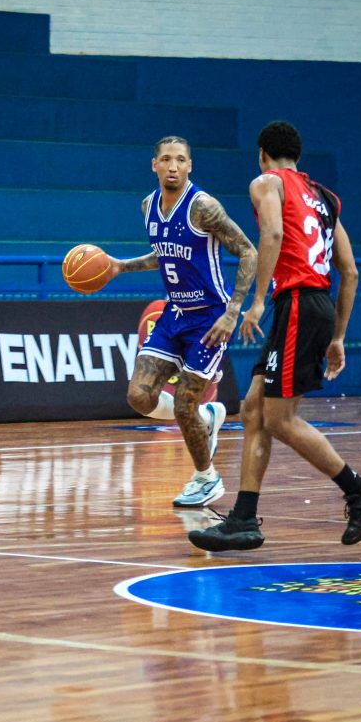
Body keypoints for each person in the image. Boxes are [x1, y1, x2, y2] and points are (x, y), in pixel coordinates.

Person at [189, 121, 361, 551]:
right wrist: (338, 336)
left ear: (263, 154)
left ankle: (360, 490)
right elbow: (350, 271)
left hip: (295, 303)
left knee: (279, 419)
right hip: (315, 305)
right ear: (297, 155)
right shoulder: (326, 198)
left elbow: (273, 233)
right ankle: (244, 519)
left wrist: (259, 300)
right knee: (253, 409)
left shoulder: (266, 182)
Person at [109, 136, 258, 507]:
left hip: (210, 318)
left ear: (190, 166)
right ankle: (208, 417)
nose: (172, 166)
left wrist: (233, 311)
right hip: (175, 313)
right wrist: (121, 267)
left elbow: (248, 251)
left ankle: (207, 478)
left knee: (182, 407)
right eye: (165, 159)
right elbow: (164, 255)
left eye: (180, 159)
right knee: (139, 396)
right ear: (154, 165)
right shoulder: (148, 206)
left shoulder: (203, 206)